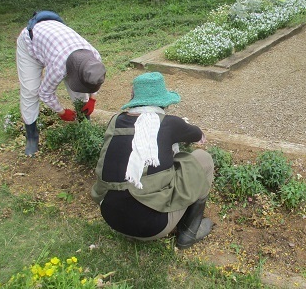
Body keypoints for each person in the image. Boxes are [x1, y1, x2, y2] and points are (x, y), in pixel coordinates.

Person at [91, 72, 214, 249]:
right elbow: (197, 135)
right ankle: (188, 232)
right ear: (162, 100)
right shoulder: (170, 123)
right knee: (202, 159)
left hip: (112, 218)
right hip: (152, 227)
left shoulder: (115, 121)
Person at [16, 10, 106, 156]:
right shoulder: (58, 67)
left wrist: (93, 99)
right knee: (31, 90)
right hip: (31, 43)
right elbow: (45, 93)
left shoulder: (94, 56)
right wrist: (61, 112)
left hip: (55, 43)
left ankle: (84, 124)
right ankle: (31, 137)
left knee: (80, 92)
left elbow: (94, 79)